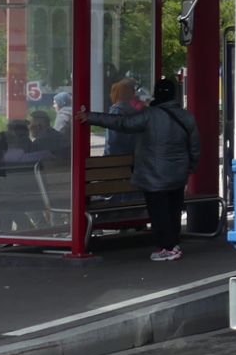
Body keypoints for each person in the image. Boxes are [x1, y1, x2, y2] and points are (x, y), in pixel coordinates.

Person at [78, 77, 199, 261]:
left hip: (154, 174)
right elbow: (195, 146)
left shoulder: (149, 115)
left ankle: (167, 248)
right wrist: (191, 166)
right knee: (173, 209)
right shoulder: (187, 116)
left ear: (157, 94)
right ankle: (173, 244)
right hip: (178, 173)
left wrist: (90, 117)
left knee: (159, 212)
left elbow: (122, 123)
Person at [103, 78, 143, 157]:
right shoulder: (135, 112)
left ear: (117, 94)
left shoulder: (115, 112)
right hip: (132, 157)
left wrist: (106, 157)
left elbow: (112, 140)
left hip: (117, 158)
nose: (111, 95)